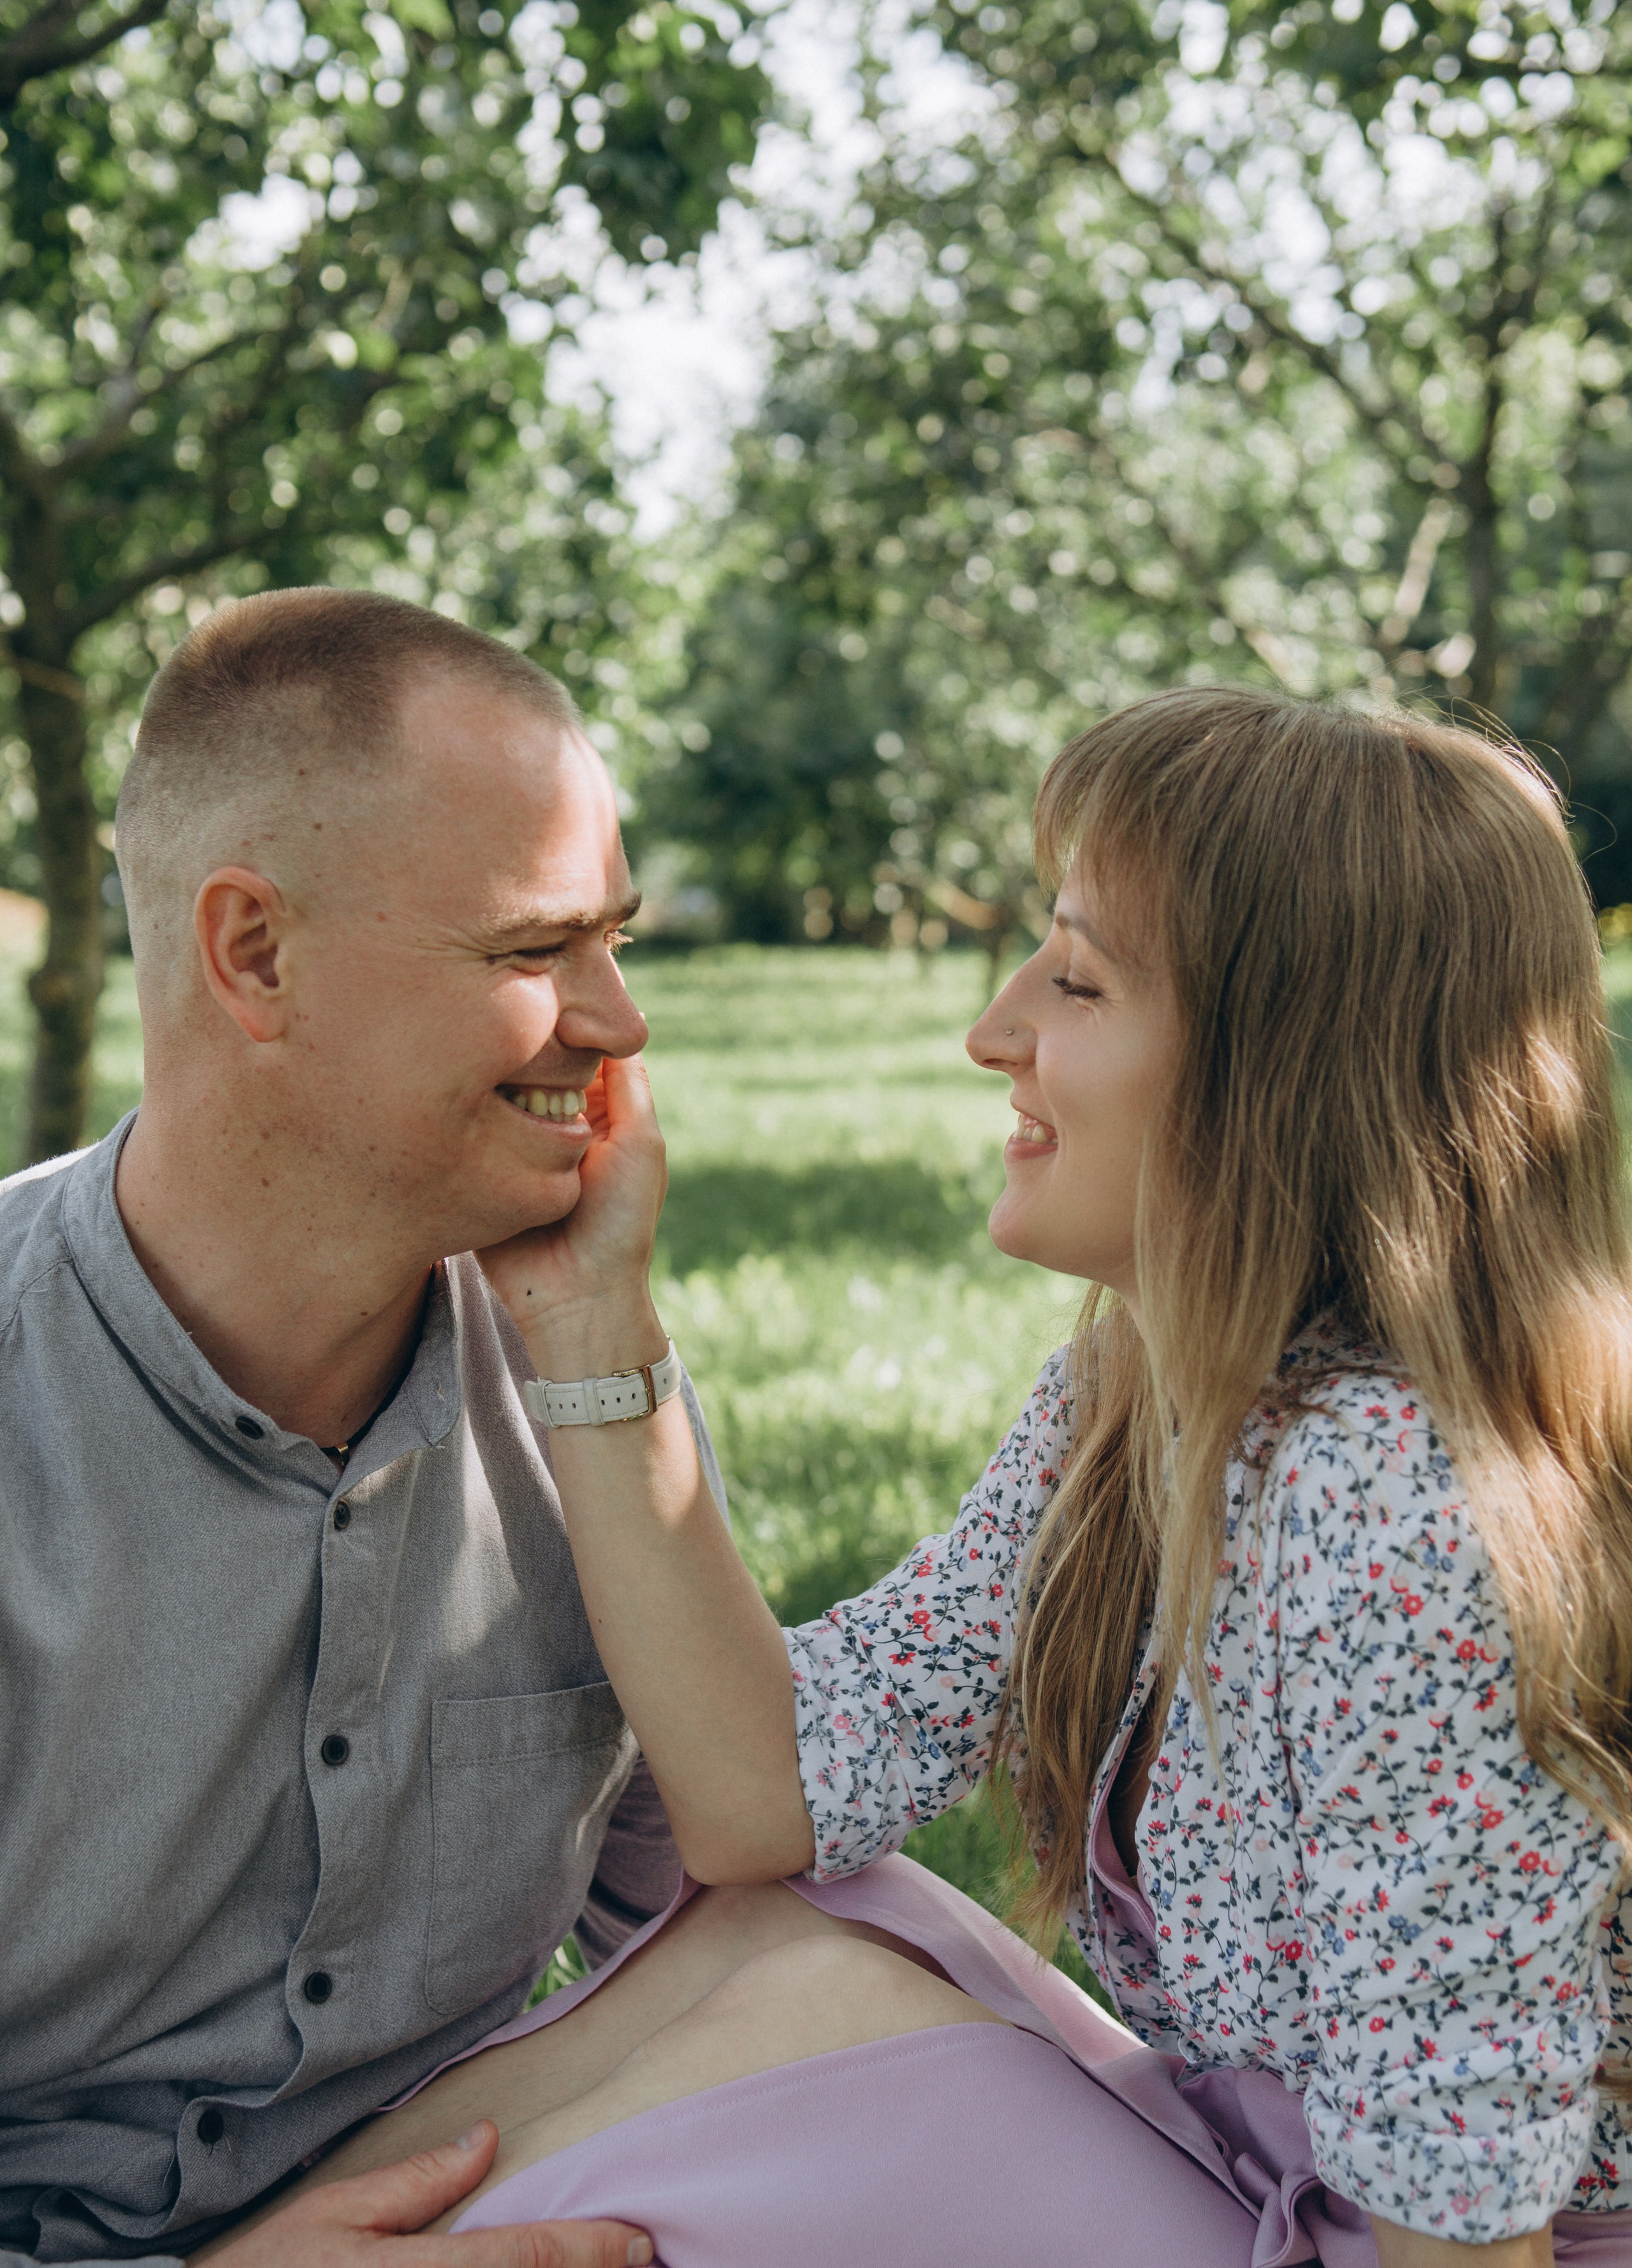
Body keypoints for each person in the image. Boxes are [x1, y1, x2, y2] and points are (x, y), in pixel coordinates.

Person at [253, 689, 1632, 2268]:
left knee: (826, 2007)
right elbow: (765, 1793)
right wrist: (587, 1317)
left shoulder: (1393, 1505)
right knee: (791, 1927)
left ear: (1278, 1076)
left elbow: (1463, 2224)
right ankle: (265, 2250)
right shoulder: (1139, 1396)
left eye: (1079, 977)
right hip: (1254, 2177)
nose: (994, 1030)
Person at [0, 589, 721, 2268]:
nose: (617, 1023)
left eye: (616, 941)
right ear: (255, 953)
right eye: (536, 951)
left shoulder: (577, 1376)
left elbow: (716, 1896)